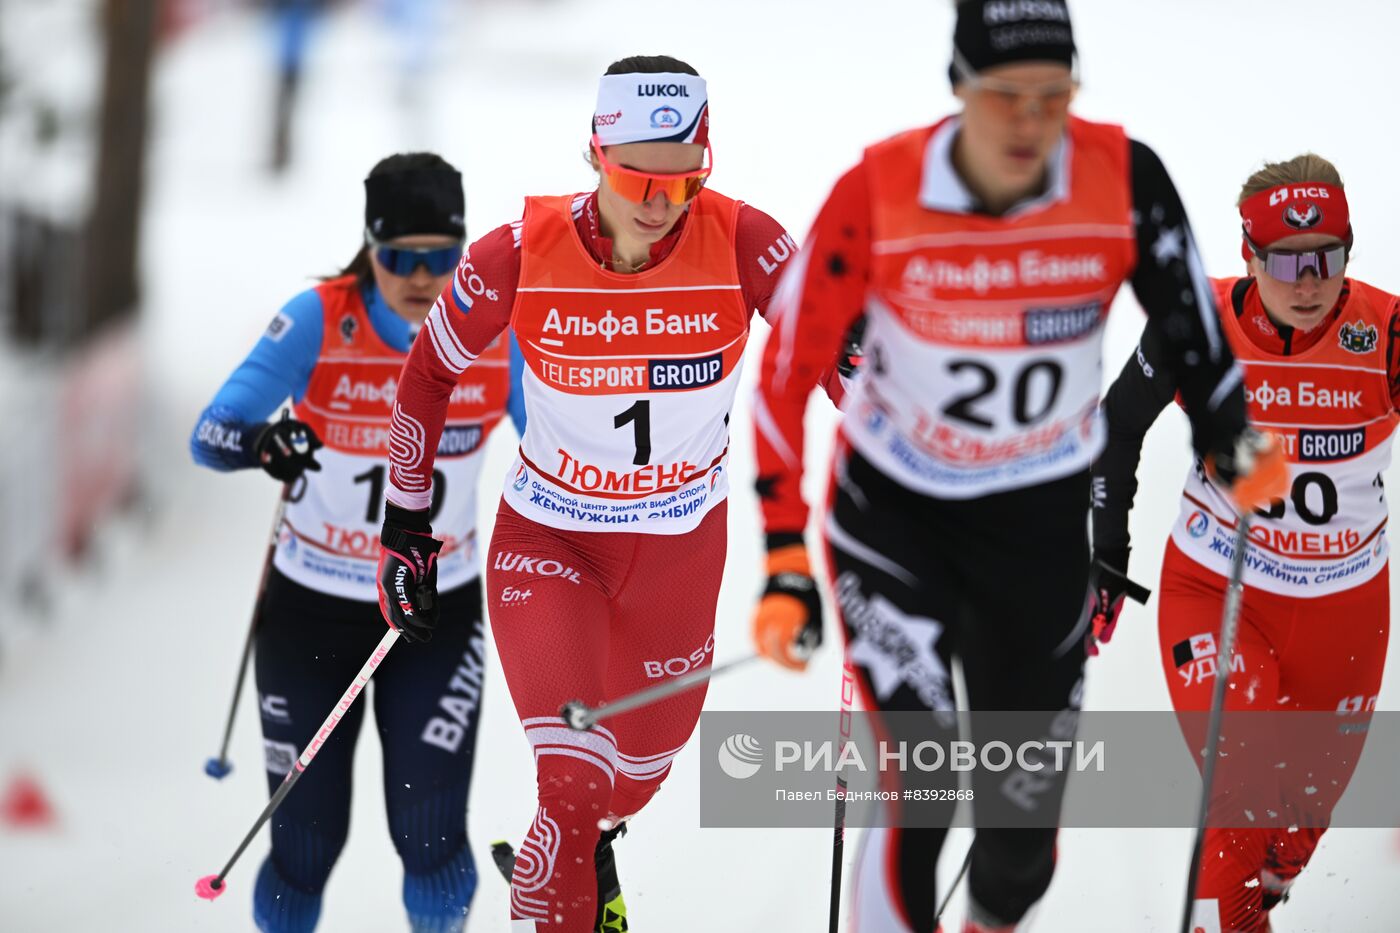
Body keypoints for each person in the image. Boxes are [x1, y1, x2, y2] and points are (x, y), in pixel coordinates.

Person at [746, 1, 1288, 930]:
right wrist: (786, 553)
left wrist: (1228, 431)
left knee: (1020, 838)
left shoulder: (1123, 177)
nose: (1033, 123)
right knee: (923, 776)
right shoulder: (878, 189)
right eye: (1007, 97)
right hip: (896, 519)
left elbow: (1192, 322)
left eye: (1056, 96)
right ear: (959, 89)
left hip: (1037, 527)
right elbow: (784, 376)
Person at [374, 55, 843, 932]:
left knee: (630, 781)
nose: (662, 201)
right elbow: (429, 373)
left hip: (679, 556)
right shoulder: (519, 251)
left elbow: (843, 361)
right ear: (596, 152)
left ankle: (580, 856)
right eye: (639, 176)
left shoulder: (743, 242)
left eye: (685, 177)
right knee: (574, 779)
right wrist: (406, 524)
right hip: (553, 541)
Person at [191, 152, 525, 933]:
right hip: (313, 608)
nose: (419, 276)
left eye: (441, 258)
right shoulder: (319, 317)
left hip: (432, 617)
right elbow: (211, 433)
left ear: (464, 252)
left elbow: (558, 447)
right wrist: (262, 444)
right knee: (306, 841)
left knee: (431, 836)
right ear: (368, 246)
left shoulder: (497, 333)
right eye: (397, 256)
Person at [1092, 153, 1394, 932]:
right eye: (1286, 261)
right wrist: (1104, 554)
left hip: (1346, 612)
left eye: (1326, 258)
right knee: (1241, 787)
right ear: (1248, 256)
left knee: (1284, 844)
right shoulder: (1200, 324)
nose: (1307, 281)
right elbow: (1116, 425)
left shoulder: (1386, 334)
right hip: (1220, 591)